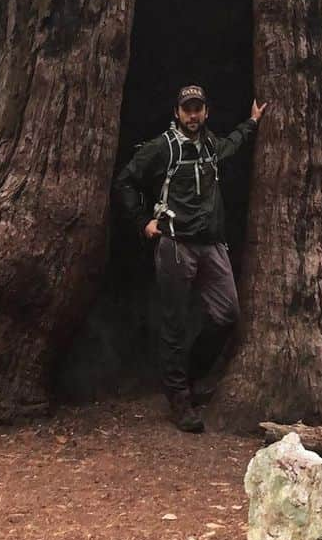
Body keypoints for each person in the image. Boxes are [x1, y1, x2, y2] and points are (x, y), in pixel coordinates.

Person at [114, 84, 267, 432]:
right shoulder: (162, 149)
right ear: (177, 113)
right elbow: (126, 181)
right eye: (187, 109)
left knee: (227, 314)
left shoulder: (211, 145)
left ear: (206, 112)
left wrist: (252, 122)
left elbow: (233, 145)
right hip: (176, 245)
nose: (193, 115)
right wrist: (143, 222)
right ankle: (180, 400)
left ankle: (192, 376)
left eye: (198, 109)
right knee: (175, 322)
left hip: (211, 244)